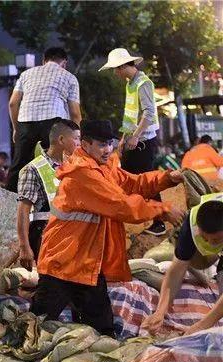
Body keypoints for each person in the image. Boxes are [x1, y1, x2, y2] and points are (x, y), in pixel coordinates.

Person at [31, 120, 184, 336]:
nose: (108, 150)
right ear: (84, 144)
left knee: (103, 331)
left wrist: (167, 178)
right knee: (36, 328)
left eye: (110, 143)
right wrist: (162, 209)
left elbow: (134, 183)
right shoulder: (81, 174)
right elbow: (120, 206)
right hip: (62, 264)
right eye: (102, 145)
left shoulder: (102, 168)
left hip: (86, 265)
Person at [100, 48, 166, 236]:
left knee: (146, 181)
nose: (115, 73)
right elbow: (130, 116)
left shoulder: (143, 83)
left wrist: (135, 136)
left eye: (115, 69)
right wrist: (123, 139)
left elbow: (149, 113)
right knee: (129, 180)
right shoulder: (131, 84)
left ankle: (159, 221)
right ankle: (134, 218)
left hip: (143, 142)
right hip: (133, 141)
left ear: (123, 66)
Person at [141, 194, 223, 335]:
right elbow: (175, 271)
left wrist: (200, 327)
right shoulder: (191, 226)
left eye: (216, 240)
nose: (209, 244)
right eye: (205, 238)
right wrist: (160, 312)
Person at [7, 47, 82, 192]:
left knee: (19, 164)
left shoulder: (26, 74)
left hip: (26, 121)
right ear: (64, 63)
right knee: (57, 161)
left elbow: (12, 103)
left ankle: (8, 199)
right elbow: (75, 113)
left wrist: (16, 129)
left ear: (44, 60)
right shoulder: (69, 77)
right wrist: (77, 137)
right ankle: (62, 194)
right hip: (54, 121)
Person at [17, 119, 80, 271]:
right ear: (61, 140)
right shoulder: (32, 169)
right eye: (76, 138)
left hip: (70, 236)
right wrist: (24, 246)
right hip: (44, 236)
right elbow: (23, 210)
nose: (79, 143)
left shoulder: (73, 166)